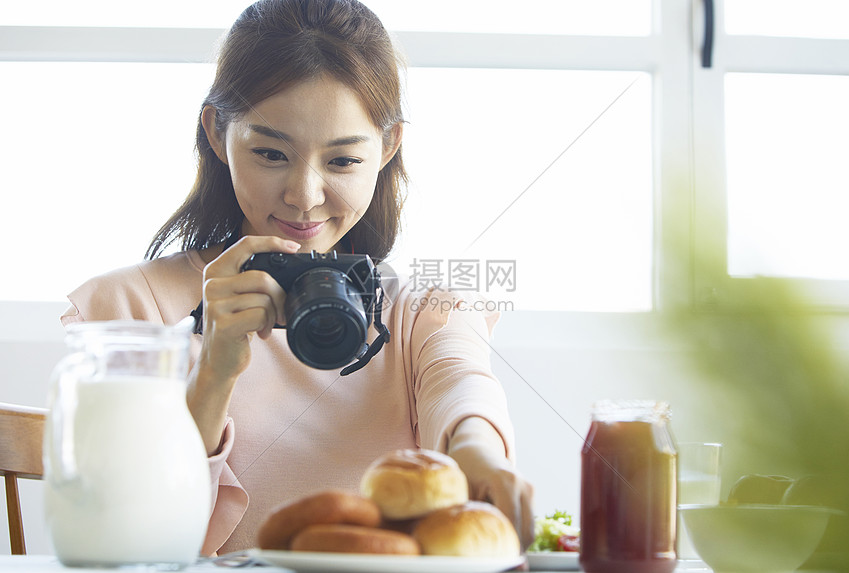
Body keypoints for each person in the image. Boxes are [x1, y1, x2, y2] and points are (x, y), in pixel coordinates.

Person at [61, 0, 534, 556]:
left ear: (387, 148)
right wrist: (213, 370)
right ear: (217, 133)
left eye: (342, 162)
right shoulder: (124, 309)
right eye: (269, 153)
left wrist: (477, 452)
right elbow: (119, 537)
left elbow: (459, 380)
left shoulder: (420, 309)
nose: (304, 197)